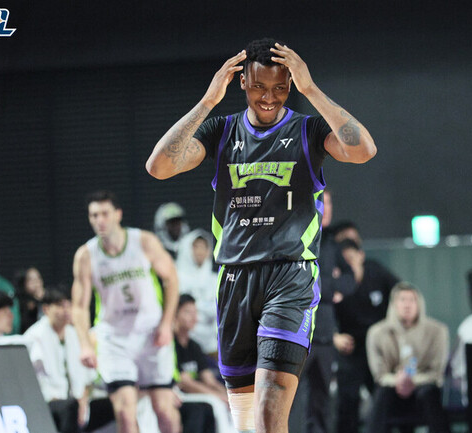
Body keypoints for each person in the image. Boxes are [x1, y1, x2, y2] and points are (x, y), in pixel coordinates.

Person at [146, 37, 376, 433]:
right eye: (258, 87)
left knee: (270, 409)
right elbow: (159, 167)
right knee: (246, 422)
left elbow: (363, 150)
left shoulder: (308, 130)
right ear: (241, 83)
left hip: (290, 276)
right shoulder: (222, 130)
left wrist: (310, 89)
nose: (269, 97)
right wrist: (208, 101)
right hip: (235, 279)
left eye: (280, 88)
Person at [71, 190, 181, 433]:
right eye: (94, 215)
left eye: (104, 213)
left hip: (151, 333)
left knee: (164, 408)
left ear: (118, 214)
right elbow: (79, 306)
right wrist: (85, 344)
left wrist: (166, 323)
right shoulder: (86, 256)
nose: (99, 220)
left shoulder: (143, 242)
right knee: (124, 410)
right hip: (114, 338)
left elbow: (171, 279)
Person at [289, 188, 356, 433]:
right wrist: (330, 287)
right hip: (299, 333)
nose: (326, 209)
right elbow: (301, 281)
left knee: (322, 400)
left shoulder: (331, 243)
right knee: (291, 399)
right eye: (320, 202)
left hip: (326, 336)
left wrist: (326, 285)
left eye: (329, 203)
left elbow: (350, 279)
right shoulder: (295, 238)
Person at [365, 282, 451, 433]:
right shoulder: (376, 333)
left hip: (424, 387)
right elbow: (380, 375)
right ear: (393, 305)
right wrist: (398, 381)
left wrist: (412, 380)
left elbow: (436, 373)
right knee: (382, 395)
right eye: (402, 300)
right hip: (392, 389)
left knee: (430, 394)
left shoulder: (438, 331)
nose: (407, 305)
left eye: (412, 300)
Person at [334, 238, 400, 433]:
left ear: (361, 256)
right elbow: (321, 312)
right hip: (351, 348)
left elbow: (400, 293)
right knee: (348, 400)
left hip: (379, 347)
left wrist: (391, 329)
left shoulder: (376, 271)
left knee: (384, 396)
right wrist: (334, 337)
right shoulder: (336, 283)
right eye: (343, 261)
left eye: (351, 259)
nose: (348, 265)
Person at [25, 290, 102, 433]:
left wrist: (83, 401)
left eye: (69, 305)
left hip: (77, 401)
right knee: (70, 407)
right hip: (49, 401)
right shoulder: (34, 337)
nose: (66, 310)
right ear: (46, 309)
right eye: (60, 306)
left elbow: (88, 379)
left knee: (112, 405)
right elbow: (32, 380)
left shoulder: (75, 334)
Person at [175, 294, 236, 433]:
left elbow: (209, 380)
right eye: (188, 312)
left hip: (199, 395)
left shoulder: (194, 346)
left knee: (230, 405)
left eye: (195, 313)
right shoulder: (171, 345)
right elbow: (185, 383)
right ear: (175, 314)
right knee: (205, 408)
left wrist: (229, 396)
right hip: (180, 395)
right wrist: (217, 396)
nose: (194, 318)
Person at [176, 229, 219, 356]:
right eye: (196, 247)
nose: (200, 251)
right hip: (185, 341)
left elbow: (220, 309)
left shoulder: (214, 279)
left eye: (203, 247)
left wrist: (200, 306)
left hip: (213, 343)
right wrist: (206, 307)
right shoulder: (177, 278)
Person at [16, 267, 47, 333]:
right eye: (31, 279)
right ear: (24, 283)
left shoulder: (48, 297)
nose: (36, 282)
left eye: (38, 278)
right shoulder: (20, 301)